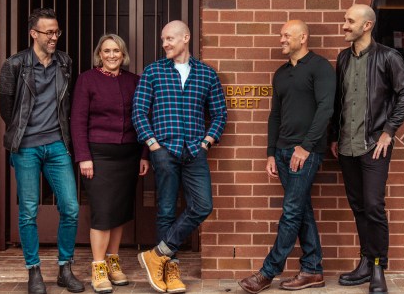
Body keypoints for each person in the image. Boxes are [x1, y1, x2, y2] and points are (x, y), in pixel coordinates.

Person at [238, 20, 336, 294]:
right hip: (282, 152)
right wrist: (270, 153)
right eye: (281, 35)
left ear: (302, 37)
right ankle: (313, 270)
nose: (280, 39)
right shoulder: (281, 73)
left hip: (305, 153)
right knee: (301, 209)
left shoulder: (320, 67)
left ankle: (267, 273)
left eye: (285, 35)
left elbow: (326, 109)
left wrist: (305, 147)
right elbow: (275, 115)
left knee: (292, 211)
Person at [132, 20, 227, 294]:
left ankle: (157, 254)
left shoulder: (207, 74)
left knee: (203, 205)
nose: (165, 44)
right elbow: (139, 112)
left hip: (195, 151)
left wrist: (207, 142)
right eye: (163, 40)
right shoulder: (152, 73)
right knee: (165, 210)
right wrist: (153, 145)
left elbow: (220, 114)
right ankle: (169, 271)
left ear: (186, 37)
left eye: (170, 39)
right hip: (165, 151)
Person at [0, 8, 84, 294]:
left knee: (70, 207)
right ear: (33, 33)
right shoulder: (14, 65)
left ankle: (64, 268)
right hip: (26, 147)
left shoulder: (65, 62)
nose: (54, 37)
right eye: (48, 32)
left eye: (56, 31)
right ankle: (33, 271)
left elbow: (66, 103)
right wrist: (22, 134)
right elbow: (7, 109)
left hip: (58, 145)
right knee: (29, 212)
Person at [330, 4, 404, 294]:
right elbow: (338, 103)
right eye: (345, 20)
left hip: (373, 146)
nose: (344, 25)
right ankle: (365, 262)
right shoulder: (342, 59)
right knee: (358, 207)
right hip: (346, 145)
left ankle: (378, 266)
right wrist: (333, 136)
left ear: (367, 26)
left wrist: (388, 132)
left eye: (350, 21)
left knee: (374, 207)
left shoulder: (388, 57)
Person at [70, 34, 150, 293]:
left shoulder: (134, 81)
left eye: (116, 50)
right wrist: (83, 156)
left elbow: (144, 119)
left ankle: (114, 263)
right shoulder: (87, 79)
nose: (112, 55)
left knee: (119, 213)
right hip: (98, 156)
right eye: (107, 51)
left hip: (128, 155)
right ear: (99, 55)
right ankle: (98, 266)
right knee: (103, 213)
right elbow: (77, 121)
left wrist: (144, 155)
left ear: (123, 54)